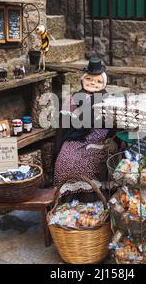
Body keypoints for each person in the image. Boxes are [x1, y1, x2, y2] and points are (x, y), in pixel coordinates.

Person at [53, 57, 117, 196]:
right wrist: (57, 150)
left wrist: (112, 141)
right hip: (74, 139)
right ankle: (66, 199)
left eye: (98, 81)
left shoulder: (108, 100)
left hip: (97, 141)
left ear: (104, 84)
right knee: (65, 159)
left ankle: (91, 197)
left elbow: (113, 126)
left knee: (83, 161)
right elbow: (63, 127)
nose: (93, 83)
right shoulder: (72, 99)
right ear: (82, 80)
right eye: (89, 79)